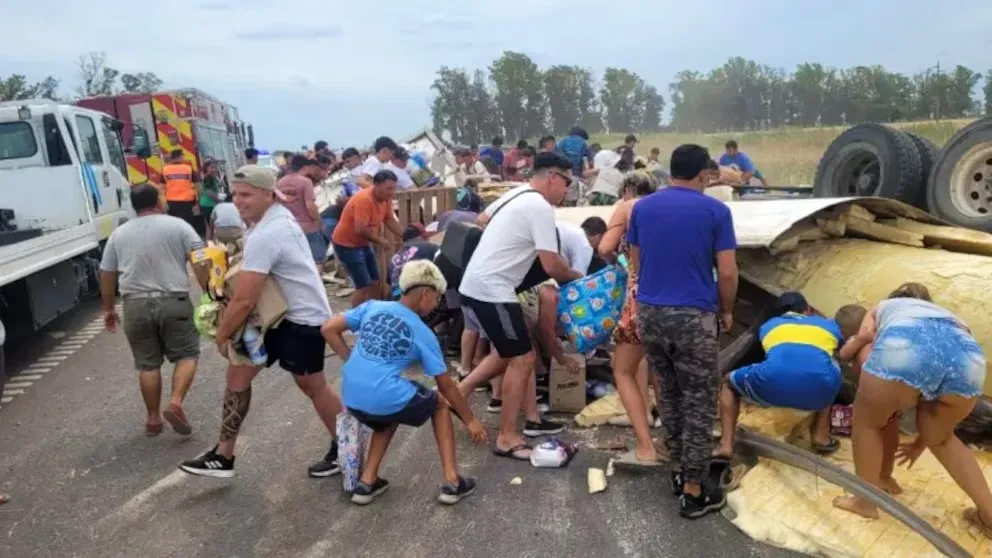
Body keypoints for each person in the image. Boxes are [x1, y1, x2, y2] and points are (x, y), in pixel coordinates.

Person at [179, 165, 344, 479]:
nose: (239, 201)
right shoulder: (271, 219)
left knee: (312, 385)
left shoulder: (268, 233)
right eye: (236, 194)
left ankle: (349, 445)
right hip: (275, 316)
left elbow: (243, 300)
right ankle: (223, 454)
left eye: (247, 195)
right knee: (238, 373)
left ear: (269, 194)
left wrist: (222, 334)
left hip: (301, 319)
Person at [831, 283, 992, 538]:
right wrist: (921, 442)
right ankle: (990, 516)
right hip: (968, 362)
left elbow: (866, 340)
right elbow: (940, 364)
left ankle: (865, 502)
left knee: (867, 424)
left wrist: (873, 397)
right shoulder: (951, 317)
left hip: (905, 349)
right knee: (944, 439)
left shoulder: (883, 307)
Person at [629, 144, 738, 519]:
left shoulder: (642, 208)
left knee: (670, 395)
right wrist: (726, 310)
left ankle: (679, 469)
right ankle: (694, 490)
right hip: (693, 316)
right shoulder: (716, 212)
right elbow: (726, 272)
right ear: (704, 175)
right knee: (699, 401)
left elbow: (635, 263)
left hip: (651, 314)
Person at [322, 260, 487, 505]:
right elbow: (446, 386)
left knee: (391, 409)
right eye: (438, 298)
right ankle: (453, 482)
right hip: (381, 395)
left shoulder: (373, 306)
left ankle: (367, 483)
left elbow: (328, 328)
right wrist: (470, 420)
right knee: (439, 403)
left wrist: (351, 361)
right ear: (426, 294)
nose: (437, 304)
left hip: (352, 394)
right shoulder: (422, 333)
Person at [458, 152, 584, 460]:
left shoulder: (517, 192)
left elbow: (482, 219)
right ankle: (507, 437)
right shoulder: (539, 206)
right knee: (523, 358)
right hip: (493, 289)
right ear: (552, 177)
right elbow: (552, 264)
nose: (566, 190)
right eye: (566, 183)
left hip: (480, 282)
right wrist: (578, 277)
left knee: (508, 351)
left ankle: (456, 394)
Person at [99, 184, 209, 437]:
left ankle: (152, 419)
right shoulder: (180, 226)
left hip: (135, 305)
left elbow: (107, 274)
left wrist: (108, 309)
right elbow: (200, 261)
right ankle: (176, 402)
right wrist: (210, 294)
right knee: (187, 354)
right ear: (158, 201)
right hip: (174, 302)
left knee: (147, 364)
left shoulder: (119, 234)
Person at [713, 294, 863, 463]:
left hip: (770, 386)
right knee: (826, 367)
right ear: (808, 310)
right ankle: (821, 436)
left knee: (728, 383)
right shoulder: (829, 326)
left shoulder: (768, 326)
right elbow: (845, 351)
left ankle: (726, 444)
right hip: (819, 392)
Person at [597, 171, 660, 469]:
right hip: (674, 297)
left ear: (628, 190)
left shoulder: (628, 206)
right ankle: (672, 441)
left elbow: (604, 248)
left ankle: (646, 447)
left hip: (640, 294)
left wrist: (622, 263)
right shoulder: (666, 206)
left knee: (622, 369)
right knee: (661, 368)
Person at [331, 170, 404, 307]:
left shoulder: (386, 200)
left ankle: (374, 311)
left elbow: (389, 219)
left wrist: (405, 236)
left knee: (375, 281)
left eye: (394, 188)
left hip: (363, 244)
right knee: (363, 286)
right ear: (376, 184)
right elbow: (360, 229)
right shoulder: (364, 200)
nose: (392, 192)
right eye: (388, 188)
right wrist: (381, 240)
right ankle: (354, 321)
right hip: (347, 245)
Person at [277, 155, 326, 264]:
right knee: (317, 261)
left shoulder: (279, 183)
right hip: (307, 228)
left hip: (288, 228)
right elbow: (310, 205)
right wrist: (319, 222)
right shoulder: (305, 182)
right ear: (305, 167)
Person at [387, 226, 438, 298]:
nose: (427, 239)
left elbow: (390, 282)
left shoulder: (393, 258)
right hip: (417, 297)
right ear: (420, 237)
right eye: (425, 237)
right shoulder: (429, 246)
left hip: (398, 297)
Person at [163, 149, 201, 230]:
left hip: (171, 202)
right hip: (186, 202)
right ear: (180, 157)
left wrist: (163, 204)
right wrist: (199, 201)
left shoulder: (165, 170)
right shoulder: (188, 168)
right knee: (187, 226)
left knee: (175, 225)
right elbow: (198, 186)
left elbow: (160, 188)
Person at [198, 160, 223, 239]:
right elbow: (209, 192)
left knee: (209, 229)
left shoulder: (211, 177)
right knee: (214, 228)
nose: (214, 169)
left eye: (215, 167)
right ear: (206, 168)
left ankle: (209, 246)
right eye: (212, 167)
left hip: (205, 205)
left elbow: (219, 186)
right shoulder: (208, 177)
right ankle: (214, 246)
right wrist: (219, 201)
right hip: (209, 205)